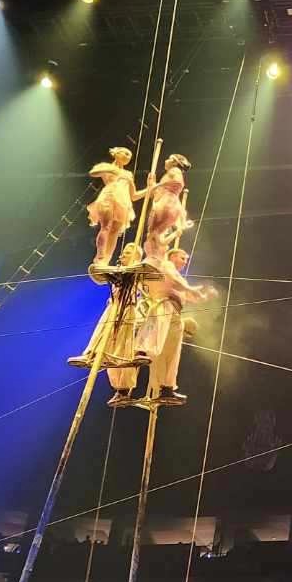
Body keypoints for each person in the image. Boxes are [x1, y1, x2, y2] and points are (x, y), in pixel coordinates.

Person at [126, 246, 213, 406]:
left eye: (186, 259)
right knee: (156, 336)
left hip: (176, 312)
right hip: (163, 305)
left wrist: (205, 296)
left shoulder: (179, 277)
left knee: (171, 352)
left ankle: (166, 388)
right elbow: (175, 283)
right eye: (182, 257)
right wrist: (191, 289)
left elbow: (189, 296)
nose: (185, 262)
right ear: (172, 256)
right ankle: (141, 351)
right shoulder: (166, 266)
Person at [67, 244, 150, 395]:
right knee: (102, 331)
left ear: (135, 256)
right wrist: (110, 271)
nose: (122, 255)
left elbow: (142, 273)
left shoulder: (137, 271)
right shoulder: (116, 271)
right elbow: (96, 273)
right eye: (123, 252)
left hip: (126, 308)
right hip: (114, 306)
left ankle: (120, 377)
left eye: (127, 253)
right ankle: (91, 355)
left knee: (122, 339)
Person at [85, 147, 152, 267]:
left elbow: (134, 196)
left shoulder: (128, 174)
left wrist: (149, 188)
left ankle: (106, 260)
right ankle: (99, 257)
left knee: (115, 232)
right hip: (109, 197)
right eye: (125, 153)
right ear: (117, 153)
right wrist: (111, 170)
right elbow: (92, 173)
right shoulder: (107, 166)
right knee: (106, 227)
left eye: (130, 155)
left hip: (123, 203)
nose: (128, 156)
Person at [143, 153, 192, 262]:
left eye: (168, 159)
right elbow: (159, 192)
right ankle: (153, 257)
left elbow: (178, 183)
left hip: (168, 203)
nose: (165, 161)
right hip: (167, 202)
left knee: (154, 232)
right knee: (154, 232)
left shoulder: (175, 171)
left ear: (174, 162)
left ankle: (154, 258)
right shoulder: (171, 173)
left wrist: (157, 185)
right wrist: (153, 184)